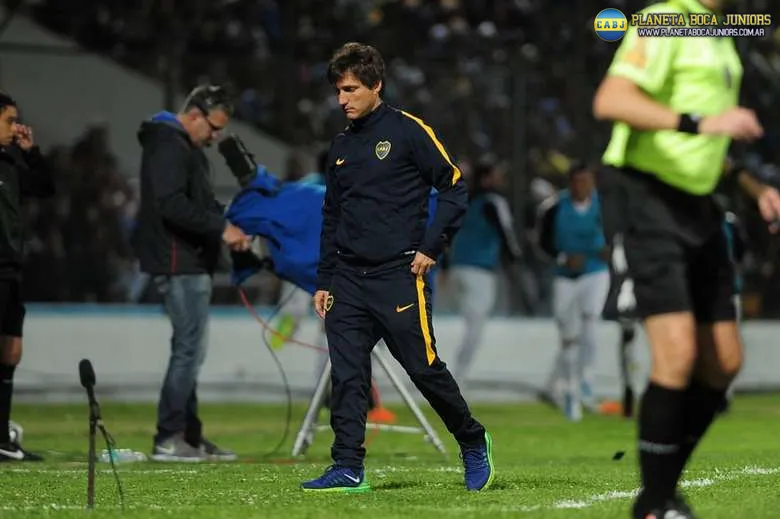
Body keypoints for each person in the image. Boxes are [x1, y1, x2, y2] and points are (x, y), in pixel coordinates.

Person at [592, 0, 780, 516]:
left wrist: (751, 185)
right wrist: (699, 121)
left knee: (724, 361)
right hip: (648, 198)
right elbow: (611, 100)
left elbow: (710, 144)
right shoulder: (664, 18)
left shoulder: (716, 30)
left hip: (699, 206)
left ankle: (660, 492)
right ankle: (655, 504)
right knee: (676, 356)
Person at [301, 42, 494, 493]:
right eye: (338, 90)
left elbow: (454, 189)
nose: (342, 99)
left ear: (376, 85)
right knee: (348, 376)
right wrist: (324, 280)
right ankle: (348, 466)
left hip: (398, 276)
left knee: (423, 368)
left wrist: (432, 246)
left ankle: (471, 438)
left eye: (350, 89)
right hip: (347, 279)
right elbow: (332, 215)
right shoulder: (341, 146)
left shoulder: (409, 132)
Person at [134, 85, 251, 462]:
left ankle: (189, 436)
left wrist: (232, 222)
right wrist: (221, 229)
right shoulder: (170, 146)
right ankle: (169, 437)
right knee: (188, 350)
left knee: (190, 351)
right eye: (213, 128)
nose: (216, 137)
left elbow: (196, 202)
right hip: (177, 261)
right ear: (195, 115)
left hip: (189, 260)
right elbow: (171, 205)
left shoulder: (185, 148)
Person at [0, 91, 54, 461]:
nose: (15, 127)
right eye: (8, 120)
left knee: (11, 350)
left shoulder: (10, 160)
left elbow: (44, 188)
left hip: (10, 265)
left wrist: (30, 151)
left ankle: (2, 437)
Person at [536, 163, 610, 421]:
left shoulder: (605, 206)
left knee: (591, 320)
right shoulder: (554, 208)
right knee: (568, 336)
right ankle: (569, 390)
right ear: (570, 183)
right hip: (565, 277)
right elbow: (542, 242)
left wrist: (610, 249)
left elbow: (618, 234)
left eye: (587, 180)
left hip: (595, 272)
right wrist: (563, 258)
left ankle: (586, 380)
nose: (583, 186)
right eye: (578, 181)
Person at [446, 159, 522, 382]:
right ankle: (457, 376)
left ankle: (455, 372)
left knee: (467, 321)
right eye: (497, 175)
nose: (501, 179)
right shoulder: (493, 202)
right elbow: (505, 232)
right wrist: (514, 258)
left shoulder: (464, 199)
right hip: (479, 271)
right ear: (487, 178)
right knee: (475, 327)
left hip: (458, 268)